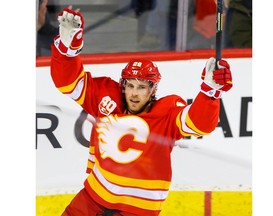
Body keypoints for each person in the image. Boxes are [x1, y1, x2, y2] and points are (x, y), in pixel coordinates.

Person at [50, 7, 233, 216]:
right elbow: (67, 82)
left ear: (153, 90)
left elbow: (199, 124)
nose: (134, 93)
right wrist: (66, 50)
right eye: (130, 85)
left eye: (142, 87)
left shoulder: (167, 113)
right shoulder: (106, 98)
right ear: (123, 85)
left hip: (138, 212)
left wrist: (209, 93)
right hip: (92, 199)